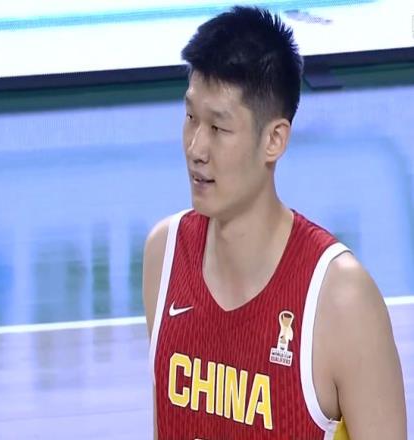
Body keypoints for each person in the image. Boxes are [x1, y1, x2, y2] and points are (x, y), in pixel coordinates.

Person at [142, 5, 406, 440]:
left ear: (274, 140)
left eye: (218, 128)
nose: (196, 148)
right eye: (190, 118)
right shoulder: (164, 255)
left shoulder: (342, 300)